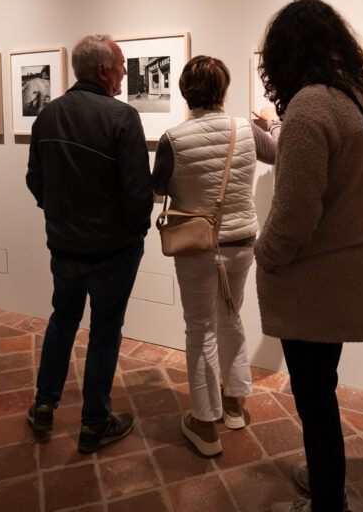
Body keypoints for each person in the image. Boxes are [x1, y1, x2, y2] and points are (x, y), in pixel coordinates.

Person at [254, 0, 363, 512]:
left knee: (315, 401)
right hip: (352, 273)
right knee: (323, 389)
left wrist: (263, 253)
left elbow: (292, 218)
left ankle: (327, 499)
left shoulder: (311, 106)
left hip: (311, 283)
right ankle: (322, 476)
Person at [26, 34, 153, 454]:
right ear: (102, 70)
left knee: (62, 321)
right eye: (119, 66)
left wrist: (61, 215)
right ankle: (94, 424)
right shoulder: (122, 117)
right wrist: (136, 232)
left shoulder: (47, 116)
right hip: (112, 251)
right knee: (103, 333)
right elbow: (138, 192)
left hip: (64, 248)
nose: (123, 73)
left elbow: (35, 180)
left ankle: (44, 405)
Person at [152, 55, 280, 456]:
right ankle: (235, 406)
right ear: (222, 90)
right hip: (242, 242)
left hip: (196, 246)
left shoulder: (173, 138)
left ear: (185, 92)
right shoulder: (245, 129)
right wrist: (271, 121)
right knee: (231, 318)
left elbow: (157, 191)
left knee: (199, 328)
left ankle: (205, 425)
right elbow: (278, 155)